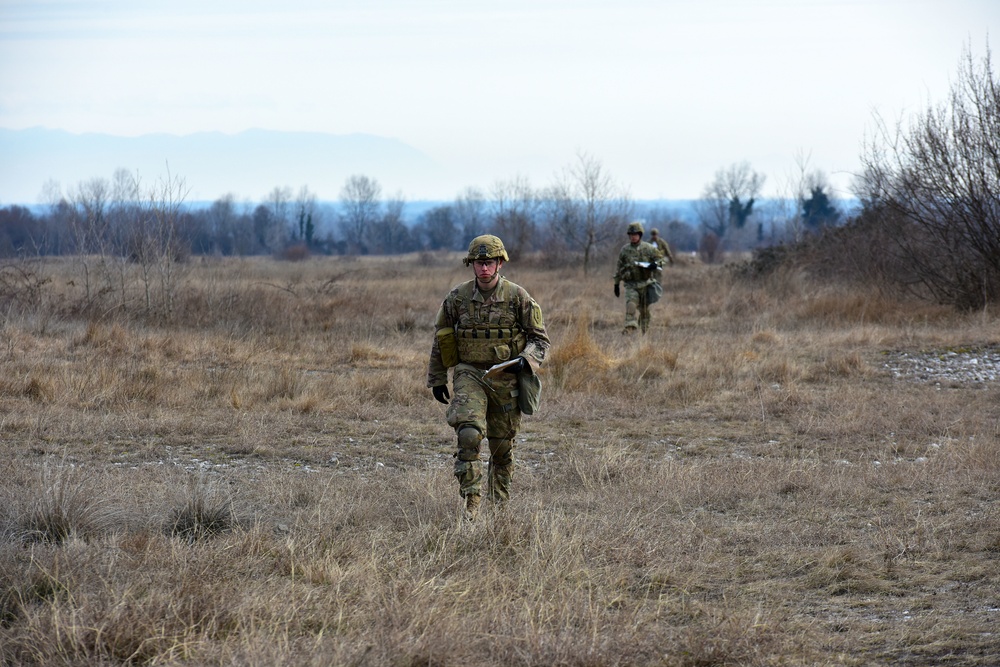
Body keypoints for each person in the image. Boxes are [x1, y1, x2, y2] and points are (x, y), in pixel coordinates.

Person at [427, 234, 550, 521]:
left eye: (490, 262)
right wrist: (436, 378)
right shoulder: (457, 298)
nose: (484, 268)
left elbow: (540, 340)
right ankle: (471, 503)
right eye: (479, 262)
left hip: (506, 375)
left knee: (502, 448)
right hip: (469, 373)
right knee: (469, 434)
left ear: (500, 264)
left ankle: (499, 508)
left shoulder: (518, 297)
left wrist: (525, 360)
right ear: (471, 264)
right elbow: (441, 338)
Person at [613, 221, 664, 334]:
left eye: (635, 234)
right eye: (631, 235)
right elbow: (619, 267)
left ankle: (645, 333)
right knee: (631, 304)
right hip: (631, 285)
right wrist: (616, 283)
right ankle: (629, 328)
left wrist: (654, 265)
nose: (633, 237)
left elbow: (661, 260)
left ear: (640, 235)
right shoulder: (625, 250)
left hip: (645, 284)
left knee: (644, 311)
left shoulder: (649, 248)